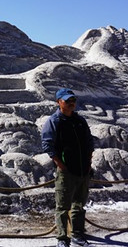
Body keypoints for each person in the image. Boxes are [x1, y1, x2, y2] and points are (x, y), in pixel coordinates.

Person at [41, 88, 94, 247]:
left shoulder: (80, 120)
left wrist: (89, 161)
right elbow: (47, 144)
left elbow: (89, 141)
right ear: (59, 102)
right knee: (63, 206)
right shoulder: (54, 121)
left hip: (83, 169)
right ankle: (62, 238)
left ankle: (78, 234)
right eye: (67, 101)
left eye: (73, 101)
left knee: (79, 205)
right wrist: (60, 164)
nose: (71, 104)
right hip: (66, 170)